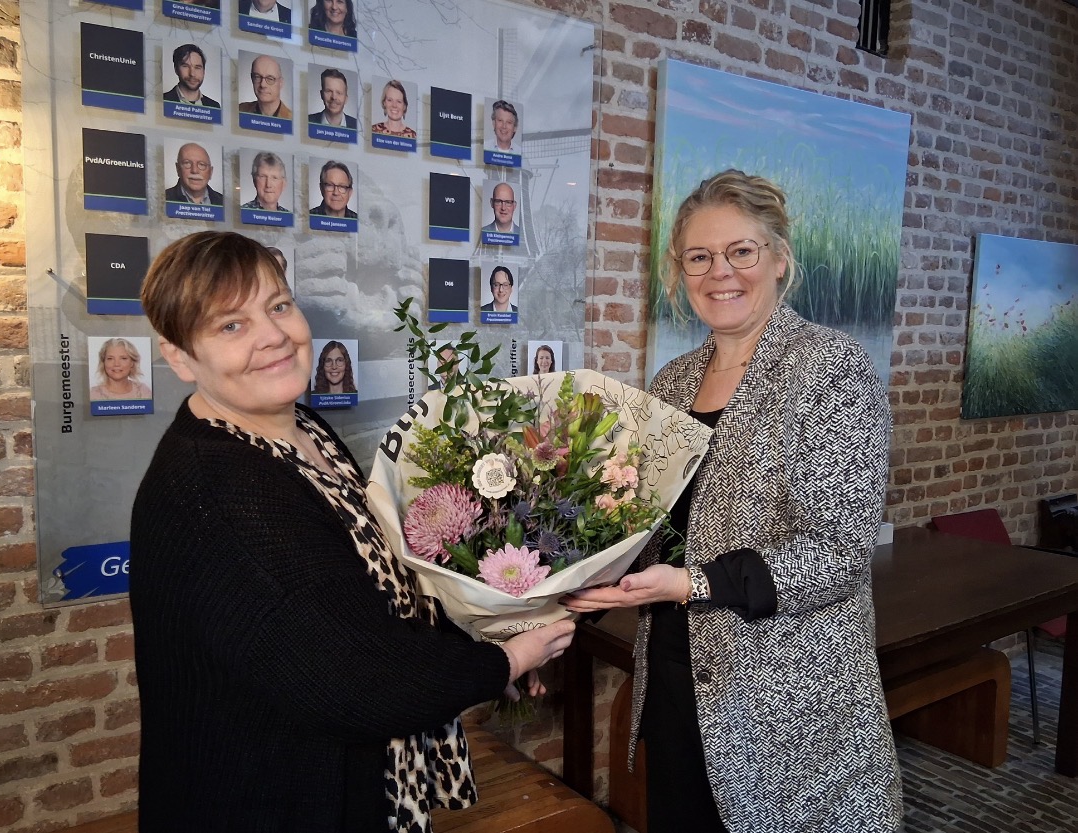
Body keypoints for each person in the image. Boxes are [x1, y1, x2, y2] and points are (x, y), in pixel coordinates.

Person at [131, 231, 575, 832]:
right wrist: (505, 660)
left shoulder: (299, 429)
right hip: (270, 799)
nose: (273, 335)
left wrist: (490, 626)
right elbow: (352, 677)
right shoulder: (219, 490)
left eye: (279, 305)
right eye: (230, 326)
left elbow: (370, 591)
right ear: (181, 356)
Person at [563, 169, 901, 833]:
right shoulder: (672, 380)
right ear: (680, 271)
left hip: (788, 712)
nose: (721, 271)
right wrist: (559, 576)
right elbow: (645, 520)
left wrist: (695, 581)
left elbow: (838, 550)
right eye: (699, 256)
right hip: (677, 682)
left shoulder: (830, 368)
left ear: (779, 259)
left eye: (741, 251)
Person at [238, 55, 292, 120]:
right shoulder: (239, 110)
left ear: (280, 83)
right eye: (257, 77)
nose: (263, 85)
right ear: (252, 79)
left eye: (270, 78)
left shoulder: (293, 120)